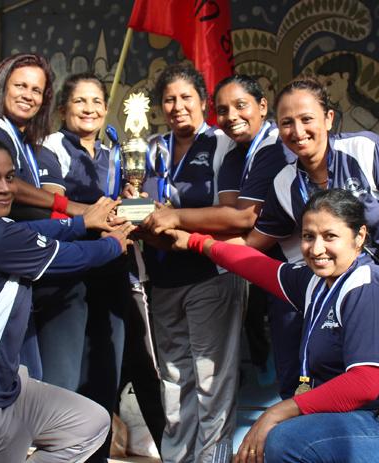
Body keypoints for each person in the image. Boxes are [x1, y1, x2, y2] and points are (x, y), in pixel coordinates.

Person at [167, 188, 379, 463]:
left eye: (330, 236)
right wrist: (195, 241)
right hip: (377, 419)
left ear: (359, 238)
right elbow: (253, 264)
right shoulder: (316, 281)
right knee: (289, 434)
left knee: (286, 440)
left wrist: (278, 411)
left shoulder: (370, 287)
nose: (316, 249)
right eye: (308, 236)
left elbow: (364, 382)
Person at [0, 134, 134, 463]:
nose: (5, 188)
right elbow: (70, 257)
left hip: (4, 390)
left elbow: (31, 234)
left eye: (10, 177)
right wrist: (114, 243)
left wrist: (81, 222)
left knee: (90, 422)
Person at [251, 76, 379, 356]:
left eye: (307, 119)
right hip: (353, 296)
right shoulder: (284, 184)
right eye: (286, 122)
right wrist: (194, 240)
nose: (298, 131)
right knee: (368, 384)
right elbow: (253, 243)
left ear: (328, 118)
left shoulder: (367, 150)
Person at [39, 72, 164, 461]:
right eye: (80, 101)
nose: (90, 109)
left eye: (97, 101)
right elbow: (49, 202)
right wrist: (99, 214)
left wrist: (132, 199)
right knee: (65, 377)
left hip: (113, 272)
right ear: (63, 109)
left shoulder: (117, 148)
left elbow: (133, 204)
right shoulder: (53, 146)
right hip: (69, 275)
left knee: (105, 375)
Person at [140, 74, 289, 388]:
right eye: (169, 99)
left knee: (301, 365)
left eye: (240, 105)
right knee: (175, 377)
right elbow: (240, 220)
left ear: (263, 106)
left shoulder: (270, 147)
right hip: (177, 273)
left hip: (276, 270)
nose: (231, 116)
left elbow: (243, 218)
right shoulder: (236, 151)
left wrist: (180, 226)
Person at [135, 62, 243, 462]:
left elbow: (230, 213)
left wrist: (175, 218)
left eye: (186, 98)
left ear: (203, 102)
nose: (177, 106)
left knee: (212, 380)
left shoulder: (221, 144)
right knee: (175, 380)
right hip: (162, 278)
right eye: (169, 99)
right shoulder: (150, 148)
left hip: (209, 274)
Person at [0, 53, 90, 220]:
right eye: (20, 85)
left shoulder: (28, 143)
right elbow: (4, 185)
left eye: (36, 90)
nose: (28, 96)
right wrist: (69, 208)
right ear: (2, 87)